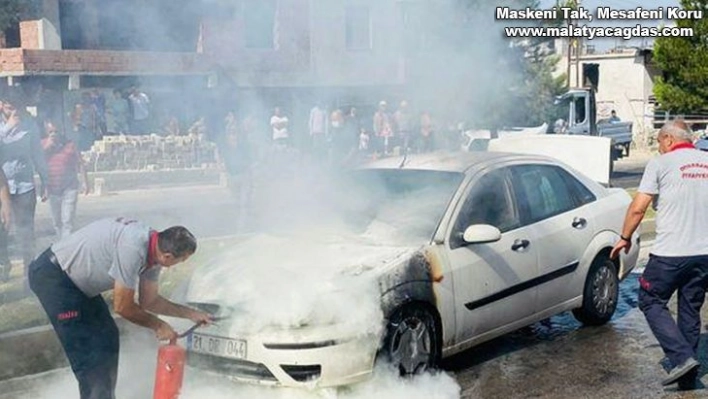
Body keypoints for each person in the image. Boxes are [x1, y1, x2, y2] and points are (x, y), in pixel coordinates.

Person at [28, 217, 213, 399]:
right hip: (54, 278)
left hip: (78, 286)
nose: (176, 266)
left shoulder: (154, 251)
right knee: (90, 354)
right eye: (180, 261)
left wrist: (191, 314)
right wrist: (158, 325)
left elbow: (150, 301)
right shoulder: (133, 248)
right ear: (168, 256)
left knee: (107, 337)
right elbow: (123, 307)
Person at [611, 121, 708, 389]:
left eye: (658, 141)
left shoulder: (660, 164)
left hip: (671, 253)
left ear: (667, 139)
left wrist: (624, 237)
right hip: (705, 254)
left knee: (650, 299)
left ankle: (682, 357)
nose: (658, 147)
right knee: (690, 307)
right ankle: (687, 376)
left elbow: (638, 208)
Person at [0, 93, 49, 283]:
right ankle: (4, 264)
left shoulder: (30, 125)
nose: (13, 110)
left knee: (26, 229)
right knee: (1, 230)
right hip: (2, 184)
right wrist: (8, 128)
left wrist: (45, 179)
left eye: (16, 106)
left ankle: (29, 270)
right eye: (8, 106)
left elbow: (37, 153)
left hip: (24, 184)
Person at [41, 120, 90, 240]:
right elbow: (37, 165)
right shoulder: (42, 145)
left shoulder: (70, 145)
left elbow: (80, 164)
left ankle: (66, 246)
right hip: (53, 188)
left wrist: (85, 182)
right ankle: (61, 244)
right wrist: (47, 147)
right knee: (57, 222)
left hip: (69, 187)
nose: (53, 134)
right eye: (50, 132)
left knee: (67, 221)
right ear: (46, 132)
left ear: (61, 131)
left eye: (56, 131)